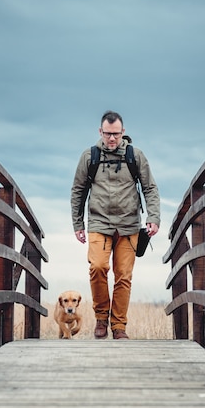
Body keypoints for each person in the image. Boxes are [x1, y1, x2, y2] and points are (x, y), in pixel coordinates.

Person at [70, 110, 160, 340]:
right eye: (108, 134)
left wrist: (153, 217)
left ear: (123, 132)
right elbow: (78, 191)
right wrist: (77, 223)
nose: (112, 139)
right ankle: (101, 318)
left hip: (129, 225)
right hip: (99, 222)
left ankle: (119, 326)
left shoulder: (135, 155)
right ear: (100, 132)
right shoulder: (89, 157)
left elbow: (150, 187)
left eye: (116, 134)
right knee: (98, 267)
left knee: (123, 276)